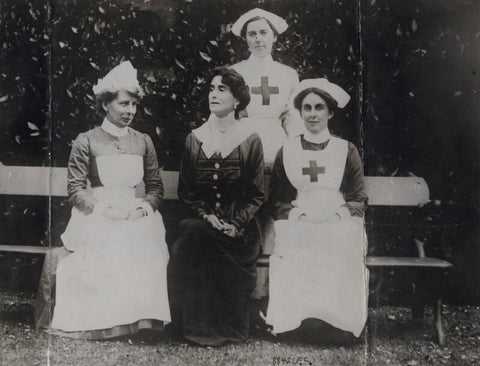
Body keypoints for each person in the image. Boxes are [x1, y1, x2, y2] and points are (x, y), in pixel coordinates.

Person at [37, 61, 171, 339]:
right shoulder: (86, 141)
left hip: (133, 211)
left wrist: (143, 209)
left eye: (134, 104)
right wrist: (101, 209)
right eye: (123, 104)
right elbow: (75, 189)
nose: (130, 111)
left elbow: (155, 187)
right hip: (97, 211)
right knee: (102, 248)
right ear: (106, 104)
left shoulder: (143, 141)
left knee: (147, 241)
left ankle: (141, 321)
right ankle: (104, 322)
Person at [168, 68, 265, 346]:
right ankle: (191, 327)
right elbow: (187, 192)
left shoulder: (250, 138)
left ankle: (226, 327)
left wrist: (235, 224)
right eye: (211, 88)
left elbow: (257, 194)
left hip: (240, 231)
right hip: (202, 224)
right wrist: (207, 216)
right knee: (193, 234)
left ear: (237, 100)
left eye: (222, 89)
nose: (213, 94)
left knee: (199, 238)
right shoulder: (195, 138)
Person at [266, 78, 368, 337]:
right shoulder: (287, 150)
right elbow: (277, 200)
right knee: (294, 239)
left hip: (338, 217)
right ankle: (297, 322)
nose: (313, 114)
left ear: (330, 112)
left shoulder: (346, 149)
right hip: (300, 217)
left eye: (319, 107)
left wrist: (337, 215)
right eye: (307, 108)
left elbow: (357, 198)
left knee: (343, 239)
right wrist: (298, 215)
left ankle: (339, 323)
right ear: (300, 113)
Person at [230, 7, 300, 323]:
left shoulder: (287, 75)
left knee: (275, 218)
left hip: (279, 149)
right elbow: (228, 114)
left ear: (274, 37)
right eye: (252, 33)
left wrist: (295, 152)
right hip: (244, 147)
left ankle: (270, 297)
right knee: (245, 216)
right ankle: (242, 297)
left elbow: (292, 116)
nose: (259, 39)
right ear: (245, 39)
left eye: (264, 33)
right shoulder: (235, 71)